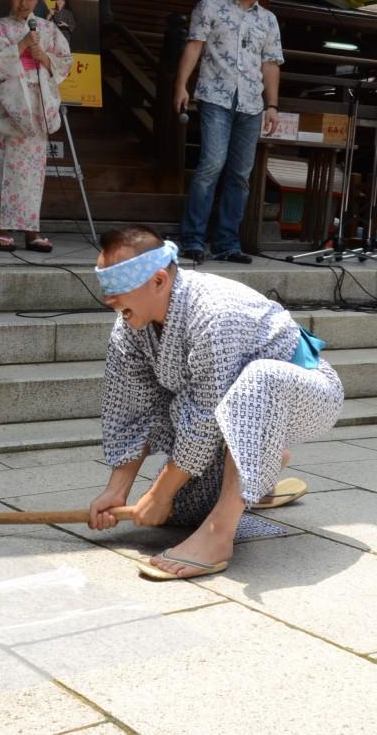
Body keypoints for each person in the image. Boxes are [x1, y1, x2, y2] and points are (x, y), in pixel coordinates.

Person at [88, 225, 344, 580]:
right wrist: (116, 491)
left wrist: (159, 493)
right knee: (184, 510)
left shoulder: (214, 312)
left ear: (159, 281)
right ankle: (263, 470)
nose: (109, 300)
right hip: (234, 410)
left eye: (116, 290)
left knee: (259, 379)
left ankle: (218, 535)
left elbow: (203, 417)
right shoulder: (130, 326)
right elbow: (131, 407)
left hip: (306, 395)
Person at [174, 0, 283, 265]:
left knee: (240, 174)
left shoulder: (269, 20)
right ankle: (192, 238)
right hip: (215, 96)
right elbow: (193, 47)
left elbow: (271, 63)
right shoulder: (210, 7)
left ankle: (226, 242)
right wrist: (181, 86)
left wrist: (273, 105)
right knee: (210, 166)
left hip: (251, 103)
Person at [0, 0, 72, 253]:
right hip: (12, 107)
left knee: (35, 172)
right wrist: (22, 46)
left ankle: (32, 230)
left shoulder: (48, 29)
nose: (23, 4)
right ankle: (2, 228)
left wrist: (44, 57)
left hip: (37, 106)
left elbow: (64, 63)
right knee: (6, 168)